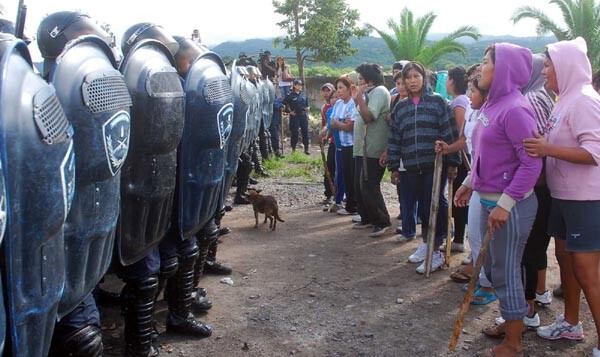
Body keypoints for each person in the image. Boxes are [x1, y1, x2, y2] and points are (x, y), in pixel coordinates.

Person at [454, 43, 542, 357]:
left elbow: (532, 163)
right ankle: (511, 318)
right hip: (488, 198)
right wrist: (469, 182)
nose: (481, 67)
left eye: (487, 61)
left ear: (503, 69)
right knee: (494, 269)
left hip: (511, 206)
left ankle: (514, 343)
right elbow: (486, 155)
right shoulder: (492, 103)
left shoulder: (516, 108)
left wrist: (505, 203)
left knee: (505, 270)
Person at [523, 38, 600, 357]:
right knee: (565, 260)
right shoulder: (563, 99)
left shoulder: (584, 100)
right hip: (563, 196)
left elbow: (594, 152)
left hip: (586, 199)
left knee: (585, 269)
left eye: (548, 65)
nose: (544, 71)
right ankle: (571, 323)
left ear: (566, 66)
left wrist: (548, 148)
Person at [388, 61, 459, 273]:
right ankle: (427, 243)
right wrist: (393, 165)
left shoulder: (438, 103)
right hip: (411, 165)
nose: (412, 81)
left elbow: (449, 132)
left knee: (434, 205)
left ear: (424, 78)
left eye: (415, 76)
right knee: (422, 205)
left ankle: (436, 249)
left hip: (434, 166)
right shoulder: (401, 107)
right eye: (408, 77)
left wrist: (453, 162)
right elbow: (394, 138)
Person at [351, 63, 391, 237]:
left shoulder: (380, 92)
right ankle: (367, 217)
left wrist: (359, 98)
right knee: (360, 185)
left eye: (361, 79)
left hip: (373, 149)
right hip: (362, 148)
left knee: (369, 185)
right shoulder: (369, 93)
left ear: (369, 80)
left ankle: (382, 221)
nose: (359, 82)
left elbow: (368, 117)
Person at [330, 76, 357, 216]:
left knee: (353, 176)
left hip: (353, 144)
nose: (339, 91)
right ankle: (350, 205)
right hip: (342, 144)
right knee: (345, 175)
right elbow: (332, 122)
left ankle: (354, 206)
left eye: (341, 88)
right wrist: (342, 124)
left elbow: (350, 126)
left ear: (349, 88)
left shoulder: (353, 103)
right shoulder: (338, 104)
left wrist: (339, 124)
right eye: (337, 88)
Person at [283, 79, 310, 154]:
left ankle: (306, 149)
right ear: (294, 85)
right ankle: (293, 149)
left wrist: (308, 108)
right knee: (295, 133)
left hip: (303, 115)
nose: (300, 86)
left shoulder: (303, 94)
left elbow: (307, 104)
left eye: (301, 85)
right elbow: (283, 104)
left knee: (305, 132)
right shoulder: (290, 95)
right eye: (298, 84)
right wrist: (289, 112)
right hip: (295, 116)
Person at [320, 83, 336, 206]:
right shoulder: (325, 108)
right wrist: (324, 136)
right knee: (329, 169)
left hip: (339, 142)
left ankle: (339, 194)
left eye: (328, 91)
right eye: (324, 91)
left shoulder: (337, 107)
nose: (326, 93)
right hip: (332, 141)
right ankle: (329, 194)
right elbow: (325, 124)